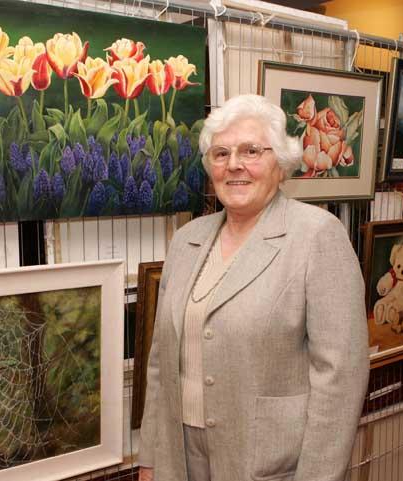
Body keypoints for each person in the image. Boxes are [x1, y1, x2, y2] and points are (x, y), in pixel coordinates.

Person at [138, 94, 369, 481]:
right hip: (180, 457)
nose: (234, 165)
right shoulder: (186, 241)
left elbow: (341, 377)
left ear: (280, 165)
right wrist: (151, 458)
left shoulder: (316, 236)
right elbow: (160, 362)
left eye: (250, 151)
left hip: (267, 462)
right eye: (221, 153)